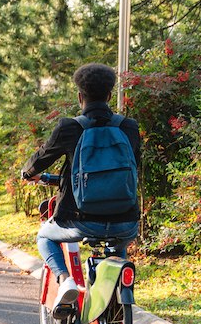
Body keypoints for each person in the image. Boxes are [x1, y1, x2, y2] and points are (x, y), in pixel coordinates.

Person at [21, 63, 142, 307]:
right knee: (118, 248)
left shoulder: (70, 127)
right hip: (126, 220)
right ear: (109, 96)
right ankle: (116, 303)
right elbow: (131, 171)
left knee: (45, 236)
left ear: (79, 97)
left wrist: (27, 173)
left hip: (80, 220)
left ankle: (65, 280)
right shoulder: (129, 127)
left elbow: (41, 158)